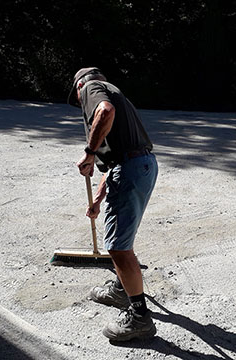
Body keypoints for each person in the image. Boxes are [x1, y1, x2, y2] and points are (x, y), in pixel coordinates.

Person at [67, 67, 158, 341]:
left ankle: (140, 317)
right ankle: (121, 289)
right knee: (122, 238)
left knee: (118, 247)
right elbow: (118, 157)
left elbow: (104, 111)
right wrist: (97, 199)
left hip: (131, 167)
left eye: (77, 98)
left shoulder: (92, 89)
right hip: (139, 165)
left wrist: (89, 153)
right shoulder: (116, 92)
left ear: (80, 87)